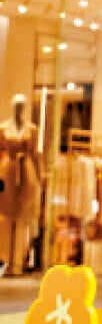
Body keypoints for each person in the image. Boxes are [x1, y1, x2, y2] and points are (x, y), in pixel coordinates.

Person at [1, 93, 42, 275]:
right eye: (17, 105)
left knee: (23, 216)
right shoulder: (3, 128)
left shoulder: (32, 129)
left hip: (26, 170)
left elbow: (35, 154)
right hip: (8, 170)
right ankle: (5, 260)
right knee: (6, 216)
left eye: (22, 106)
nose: (19, 109)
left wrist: (39, 176)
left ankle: (18, 261)